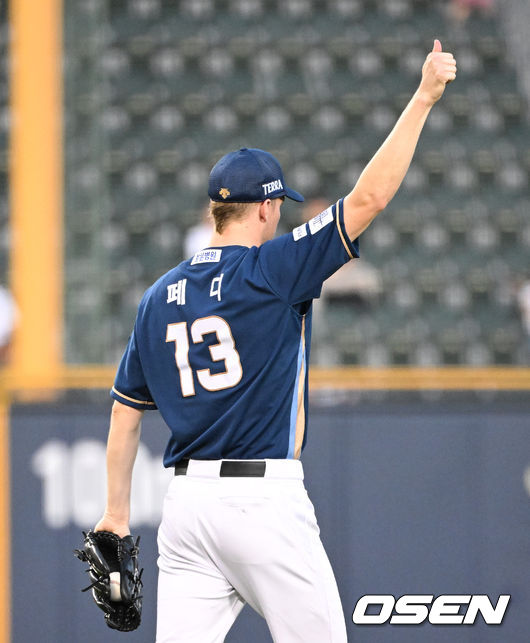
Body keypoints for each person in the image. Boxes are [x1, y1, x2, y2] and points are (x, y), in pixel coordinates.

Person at [95, 40, 456, 642]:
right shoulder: (273, 269)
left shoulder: (158, 296)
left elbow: (125, 416)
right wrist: (422, 98)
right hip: (260, 504)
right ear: (264, 210)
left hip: (185, 512)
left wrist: (115, 515)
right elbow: (368, 199)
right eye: (278, 207)